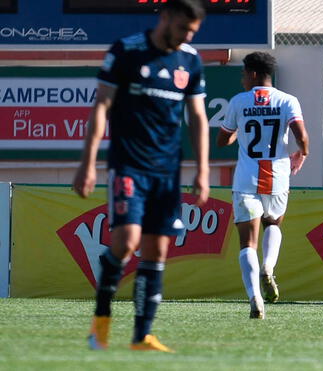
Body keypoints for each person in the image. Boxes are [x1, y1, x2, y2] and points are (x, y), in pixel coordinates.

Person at [73, 0, 209, 352]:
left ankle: (142, 336)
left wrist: (203, 169)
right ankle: (100, 324)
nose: (186, 36)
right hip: (129, 165)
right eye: (182, 28)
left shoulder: (190, 60)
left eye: (192, 31)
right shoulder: (126, 50)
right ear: (164, 17)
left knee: (157, 250)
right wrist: (88, 163)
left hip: (167, 172)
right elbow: (101, 106)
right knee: (126, 242)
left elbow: (197, 117)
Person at [216, 52, 309, 319]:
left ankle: (255, 297)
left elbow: (222, 141)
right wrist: (301, 154)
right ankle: (269, 267)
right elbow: (302, 137)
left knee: (247, 243)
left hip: (246, 179)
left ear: (254, 74)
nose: (243, 79)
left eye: (244, 74)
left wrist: (236, 133)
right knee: (274, 223)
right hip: (277, 176)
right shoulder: (288, 100)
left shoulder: (239, 102)